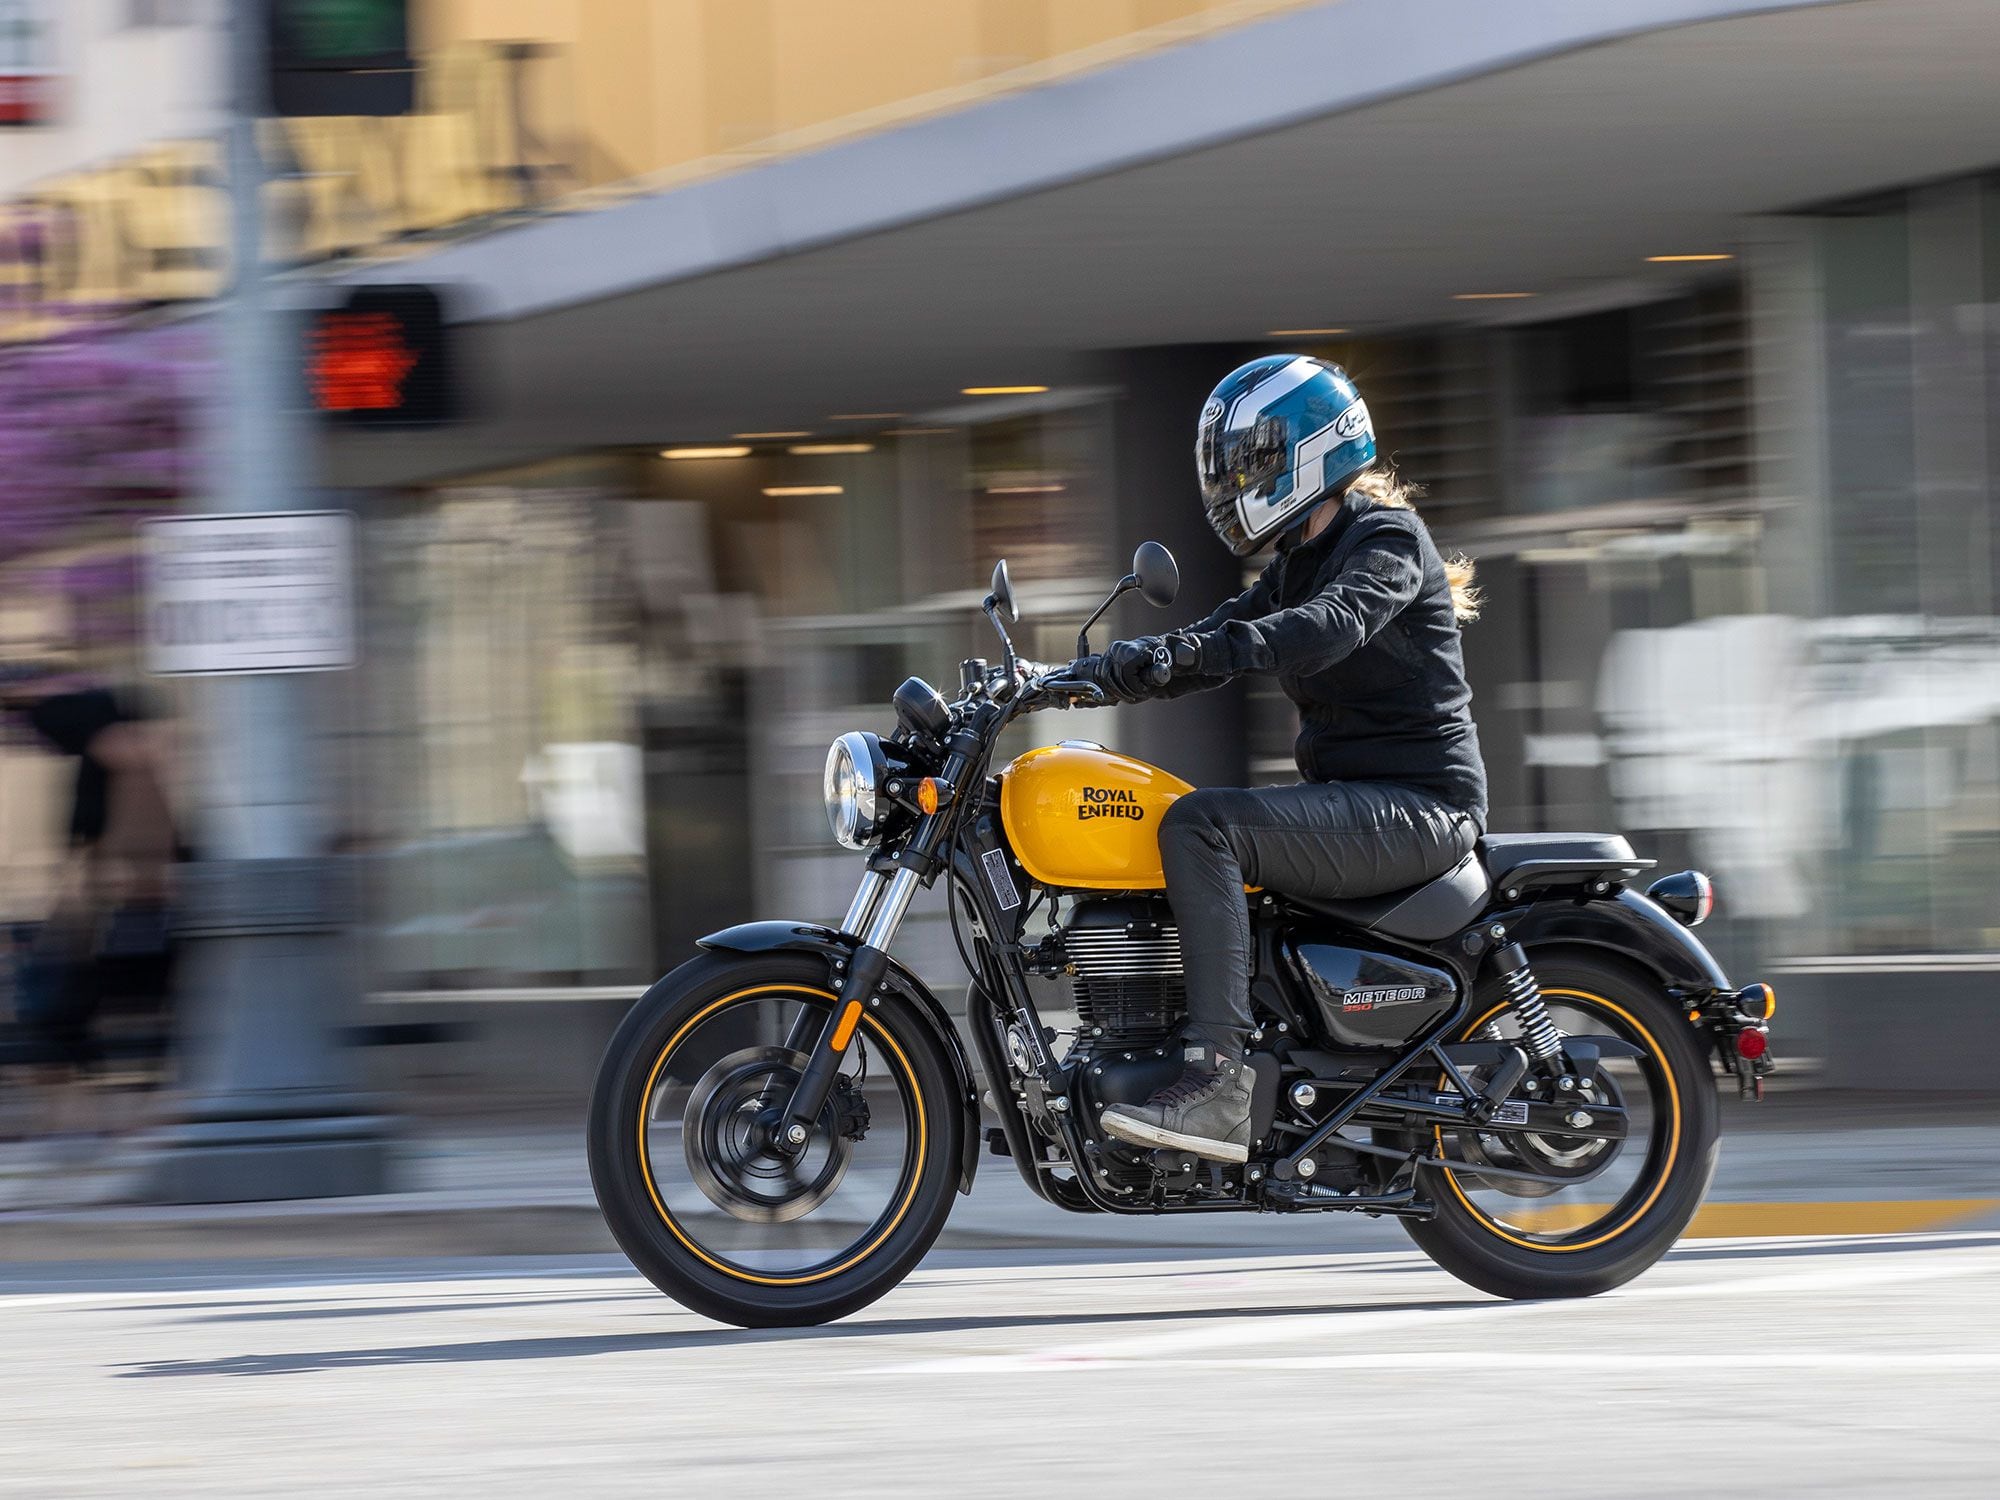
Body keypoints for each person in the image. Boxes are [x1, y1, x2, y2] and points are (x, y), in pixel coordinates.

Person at [1081, 356, 1487, 1163]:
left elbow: (1332, 623)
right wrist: (1091, 675)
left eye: (1250, 464)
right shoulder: (1292, 565)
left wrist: (1196, 651)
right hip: (1360, 803)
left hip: (1420, 808)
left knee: (1204, 826)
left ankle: (1222, 1083)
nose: (1234, 483)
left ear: (1312, 450)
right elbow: (1216, 642)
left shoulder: (1385, 540)